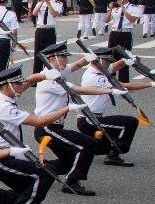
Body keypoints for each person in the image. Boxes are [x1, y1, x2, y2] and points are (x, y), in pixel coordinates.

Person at [0, 65, 64, 204]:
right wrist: (68, 108)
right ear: (7, 85)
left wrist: (43, 76)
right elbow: (39, 121)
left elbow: (27, 82)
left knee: (28, 189)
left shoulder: (1, 96)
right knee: (47, 173)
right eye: (17, 84)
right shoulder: (3, 107)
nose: (21, 86)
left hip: (6, 155)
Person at [32, 43, 107, 195]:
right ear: (52, 58)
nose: (66, 59)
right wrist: (111, 90)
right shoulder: (49, 79)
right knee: (88, 143)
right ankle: (71, 182)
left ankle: (36, 170)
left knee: (69, 161)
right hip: (47, 127)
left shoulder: (58, 72)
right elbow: (78, 90)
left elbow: (76, 65)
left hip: (55, 127)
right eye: (63, 56)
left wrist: (87, 59)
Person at [76, 47, 155, 165]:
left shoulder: (97, 70)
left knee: (101, 146)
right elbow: (122, 85)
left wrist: (126, 59)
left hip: (92, 118)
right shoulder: (95, 77)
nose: (109, 63)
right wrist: (151, 84)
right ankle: (113, 155)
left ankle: (92, 147)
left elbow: (114, 67)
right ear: (99, 60)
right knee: (129, 122)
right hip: (89, 120)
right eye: (107, 61)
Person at [105, 0, 142, 83]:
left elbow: (133, 20)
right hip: (114, 33)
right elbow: (106, 20)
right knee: (111, 57)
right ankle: (111, 81)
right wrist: (110, 9)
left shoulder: (134, 7)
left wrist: (124, 9)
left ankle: (124, 82)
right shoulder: (115, 7)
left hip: (125, 33)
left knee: (124, 58)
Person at [29, 0, 64, 73]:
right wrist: (42, 2)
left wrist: (48, 3)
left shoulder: (58, 3)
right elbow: (34, 13)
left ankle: (49, 74)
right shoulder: (40, 2)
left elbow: (54, 14)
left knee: (50, 54)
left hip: (50, 30)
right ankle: (37, 76)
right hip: (40, 29)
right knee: (38, 54)